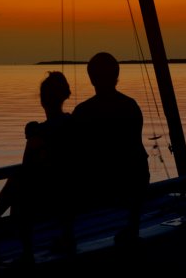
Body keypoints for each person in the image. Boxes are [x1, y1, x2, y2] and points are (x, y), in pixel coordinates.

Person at [0, 71, 74, 269]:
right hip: (65, 190)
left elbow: (28, 165)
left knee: (19, 186)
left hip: (56, 195)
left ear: (43, 100)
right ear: (65, 95)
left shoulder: (41, 132)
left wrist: (35, 139)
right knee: (19, 183)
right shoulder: (70, 123)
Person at [72, 52, 150, 241]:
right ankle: (133, 226)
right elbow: (137, 153)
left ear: (91, 78)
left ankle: (66, 235)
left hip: (104, 185)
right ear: (117, 75)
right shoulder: (130, 105)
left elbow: (74, 153)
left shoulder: (83, 111)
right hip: (133, 182)